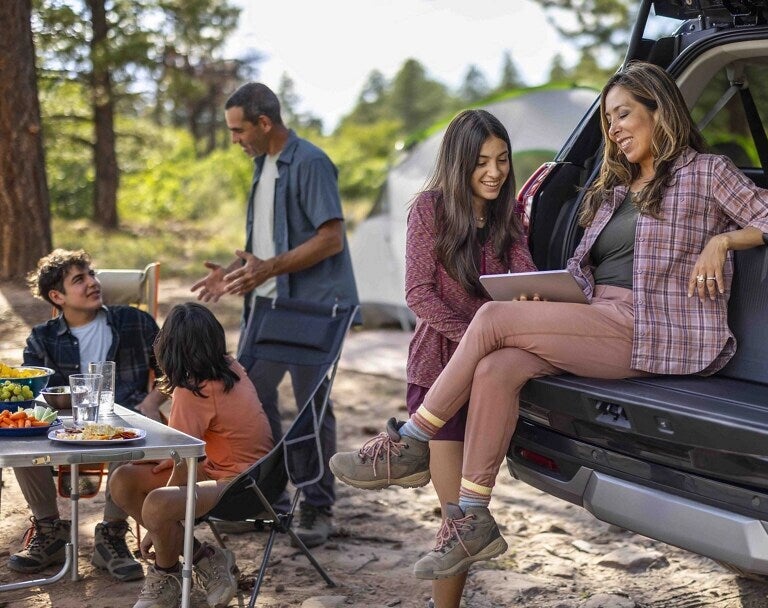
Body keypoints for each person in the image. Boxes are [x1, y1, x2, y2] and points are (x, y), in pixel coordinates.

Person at [329, 60, 768, 579]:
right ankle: (473, 515)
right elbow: (583, 272)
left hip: (653, 329)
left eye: (623, 115)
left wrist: (722, 241)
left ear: (658, 110)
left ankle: (413, 440)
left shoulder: (706, 173)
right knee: (498, 367)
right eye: (608, 121)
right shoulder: (615, 190)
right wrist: (545, 298)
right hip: (600, 317)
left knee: (491, 319)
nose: (615, 129)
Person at [331, 109, 535, 606]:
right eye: (481, 161)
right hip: (437, 373)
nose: (494, 172)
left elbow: (525, 282)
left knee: (470, 511)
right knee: (456, 518)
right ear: (459, 163)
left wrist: (529, 299)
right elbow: (419, 295)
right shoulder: (430, 209)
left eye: (503, 160)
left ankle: (406, 451)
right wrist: (477, 338)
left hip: (491, 380)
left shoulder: (509, 218)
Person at [190, 82, 358, 547]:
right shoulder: (263, 165)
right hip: (267, 303)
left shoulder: (311, 162)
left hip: (312, 309)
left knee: (310, 409)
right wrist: (233, 272)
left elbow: (330, 239)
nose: (234, 139)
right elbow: (268, 247)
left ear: (265, 123)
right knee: (250, 401)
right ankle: (268, 503)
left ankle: (317, 507)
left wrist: (268, 268)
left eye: (238, 130)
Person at [10, 249, 168, 582]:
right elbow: (38, 396)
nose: (93, 283)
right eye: (79, 280)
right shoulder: (43, 338)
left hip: (129, 418)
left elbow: (172, 372)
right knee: (21, 432)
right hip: (64, 425)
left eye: (92, 275)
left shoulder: (135, 322)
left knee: (129, 432)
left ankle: (111, 535)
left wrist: (153, 402)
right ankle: (49, 531)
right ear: (57, 296)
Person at [109, 302, 274, 608]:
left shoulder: (192, 391)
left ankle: (165, 573)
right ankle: (206, 558)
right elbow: (187, 455)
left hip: (239, 485)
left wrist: (155, 524)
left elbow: (185, 462)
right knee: (123, 480)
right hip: (258, 474)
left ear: (169, 348)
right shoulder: (229, 367)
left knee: (157, 505)